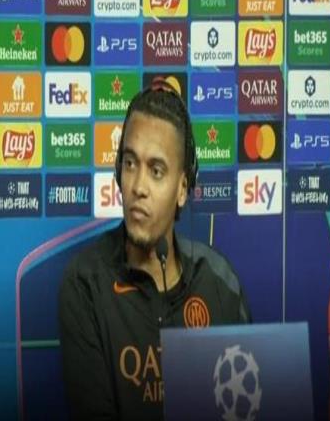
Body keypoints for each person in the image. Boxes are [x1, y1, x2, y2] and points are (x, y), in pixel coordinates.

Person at [58, 82, 251, 420]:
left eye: (156, 171)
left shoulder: (219, 281)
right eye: (130, 163)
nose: (138, 186)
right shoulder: (86, 284)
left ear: (182, 188)